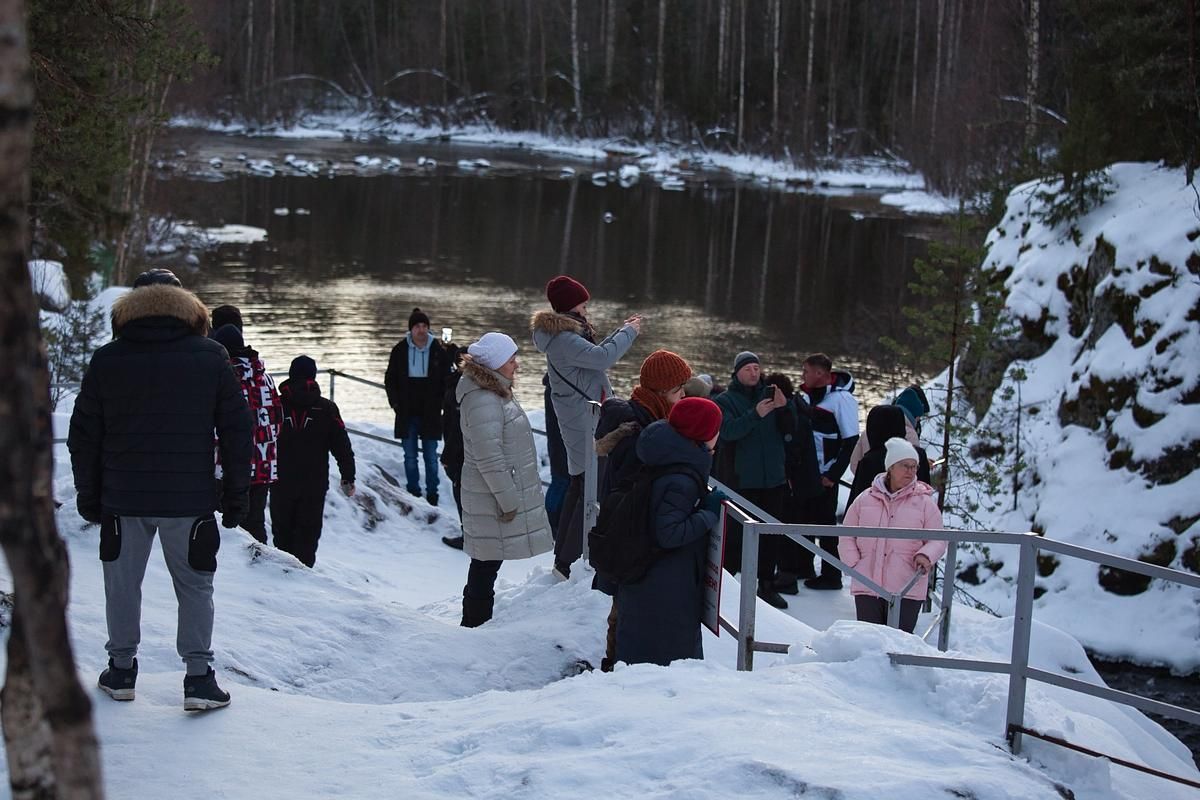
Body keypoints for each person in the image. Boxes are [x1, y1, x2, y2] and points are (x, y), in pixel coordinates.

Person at [68, 267, 251, 712]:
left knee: (122, 585)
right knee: (194, 587)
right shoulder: (210, 356)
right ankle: (198, 679)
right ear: (186, 306)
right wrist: (237, 492)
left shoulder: (108, 359)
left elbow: (83, 434)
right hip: (188, 500)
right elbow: (236, 428)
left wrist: (89, 494)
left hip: (123, 497)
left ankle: (122, 670)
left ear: (131, 307)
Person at [531, 275, 641, 580]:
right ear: (570, 305)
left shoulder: (562, 335)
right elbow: (603, 358)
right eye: (583, 303)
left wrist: (621, 330)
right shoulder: (564, 339)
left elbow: (593, 359)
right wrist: (629, 333)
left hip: (579, 418)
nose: (586, 308)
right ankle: (567, 564)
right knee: (587, 488)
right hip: (584, 421)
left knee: (579, 486)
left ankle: (562, 560)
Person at [592, 349, 692, 671]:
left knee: (622, 608)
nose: (684, 396)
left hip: (623, 528)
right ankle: (615, 666)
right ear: (661, 391)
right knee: (623, 610)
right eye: (679, 390)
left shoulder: (641, 418)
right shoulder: (642, 428)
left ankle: (614, 661)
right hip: (629, 532)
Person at [616, 397, 725, 666]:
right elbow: (669, 533)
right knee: (671, 661)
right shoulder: (682, 479)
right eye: (716, 429)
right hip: (666, 587)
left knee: (639, 654)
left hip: (648, 578)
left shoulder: (666, 456)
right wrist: (709, 513)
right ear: (703, 434)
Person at [457, 333, 553, 627]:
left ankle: (475, 623)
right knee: (485, 564)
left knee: (486, 563)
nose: (517, 365)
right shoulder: (484, 399)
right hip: (491, 497)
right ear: (497, 363)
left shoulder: (493, 391)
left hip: (490, 495)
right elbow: (489, 458)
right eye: (512, 359)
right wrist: (509, 501)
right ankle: (474, 625)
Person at [840, 437, 945, 633]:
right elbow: (846, 533)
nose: (911, 471)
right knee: (867, 643)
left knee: (899, 646)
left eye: (914, 466)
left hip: (907, 586)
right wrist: (853, 563)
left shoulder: (924, 503)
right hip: (867, 585)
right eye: (905, 465)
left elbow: (938, 538)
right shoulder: (865, 498)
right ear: (891, 467)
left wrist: (925, 555)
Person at [712, 352, 790, 609]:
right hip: (742, 479)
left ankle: (766, 585)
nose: (754, 373)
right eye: (748, 369)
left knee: (771, 535)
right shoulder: (725, 400)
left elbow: (792, 431)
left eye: (757, 368)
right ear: (736, 373)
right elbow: (728, 432)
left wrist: (785, 407)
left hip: (773, 479)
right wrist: (755, 414)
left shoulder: (770, 396)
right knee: (735, 537)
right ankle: (727, 584)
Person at [272, 356, 356, 567]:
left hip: (281, 481)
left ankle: (282, 574)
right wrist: (348, 476)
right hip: (314, 483)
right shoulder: (327, 408)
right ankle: (304, 575)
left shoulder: (276, 405)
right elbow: (342, 446)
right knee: (308, 535)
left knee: (282, 534)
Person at [209, 308, 282, 544]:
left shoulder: (219, 375)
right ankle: (259, 566)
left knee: (222, 526)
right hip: (262, 464)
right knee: (255, 524)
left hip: (226, 466)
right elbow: (277, 419)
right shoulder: (264, 376)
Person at [795, 353, 859, 590]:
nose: (803, 375)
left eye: (806, 371)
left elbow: (850, 440)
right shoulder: (806, 396)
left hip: (825, 475)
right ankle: (804, 565)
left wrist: (833, 476)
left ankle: (831, 575)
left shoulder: (842, 400)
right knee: (803, 520)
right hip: (806, 473)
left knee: (825, 525)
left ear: (820, 374)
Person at [763, 373, 824, 595]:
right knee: (801, 525)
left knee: (788, 526)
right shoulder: (799, 407)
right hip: (806, 481)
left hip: (795, 482)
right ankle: (803, 568)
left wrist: (786, 476)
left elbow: (792, 448)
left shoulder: (790, 414)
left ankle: (788, 576)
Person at [385, 308, 451, 505]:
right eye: (417, 326)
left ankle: (432, 494)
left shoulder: (439, 350)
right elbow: (390, 379)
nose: (421, 330)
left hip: (430, 412)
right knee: (410, 456)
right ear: (411, 329)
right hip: (406, 411)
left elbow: (446, 379)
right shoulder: (399, 350)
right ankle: (413, 492)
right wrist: (395, 403)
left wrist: (441, 403)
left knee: (431, 457)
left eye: (424, 326)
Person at [847, 405, 932, 508]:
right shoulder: (918, 456)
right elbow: (926, 495)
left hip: (875, 520)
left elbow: (856, 503)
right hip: (915, 518)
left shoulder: (870, 461)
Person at [849, 384, 929, 474]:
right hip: (897, 487)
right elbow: (911, 471)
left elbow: (854, 464)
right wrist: (923, 465)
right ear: (913, 415)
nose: (918, 421)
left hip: (867, 485)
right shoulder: (910, 434)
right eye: (918, 417)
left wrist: (869, 479)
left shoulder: (869, 429)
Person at [440, 348, 467, 549]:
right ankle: (469, 532)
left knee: (461, 491)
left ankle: (468, 534)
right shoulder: (456, 383)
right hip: (458, 448)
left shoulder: (460, 387)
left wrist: (447, 455)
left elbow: (457, 427)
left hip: (459, 451)